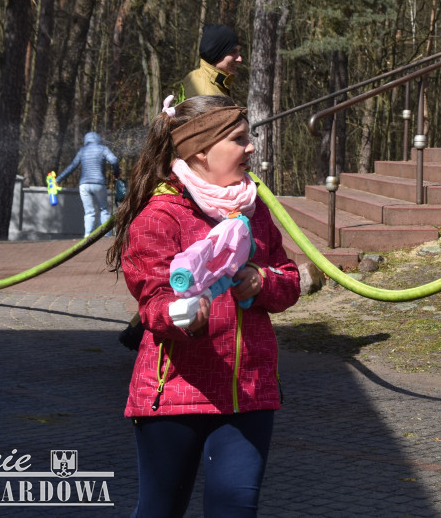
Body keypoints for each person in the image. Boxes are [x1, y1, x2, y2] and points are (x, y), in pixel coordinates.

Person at [106, 94, 300, 516]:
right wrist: (184, 315)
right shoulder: (160, 216)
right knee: (161, 510)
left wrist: (260, 281)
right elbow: (153, 302)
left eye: (248, 138)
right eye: (238, 139)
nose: (251, 148)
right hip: (175, 395)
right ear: (199, 150)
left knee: (235, 509)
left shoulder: (254, 208)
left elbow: (289, 279)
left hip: (248, 394)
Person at [54, 132, 121, 237]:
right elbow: (114, 160)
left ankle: (87, 237)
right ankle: (105, 236)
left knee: (89, 212)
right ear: (98, 139)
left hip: (84, 185)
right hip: (99, 183)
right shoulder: (103, 149)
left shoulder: (82, 151)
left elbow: (72, 166)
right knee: (103, 209)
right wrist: (116, 173)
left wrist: (58, 179)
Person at [179, 24, 243, 100]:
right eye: (233, 52)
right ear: (216, 53)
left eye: (239, 51)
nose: (240, 59)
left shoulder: (195, 77)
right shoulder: (207, 95)